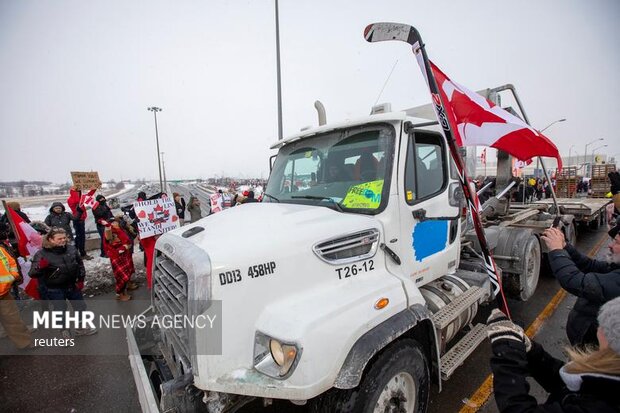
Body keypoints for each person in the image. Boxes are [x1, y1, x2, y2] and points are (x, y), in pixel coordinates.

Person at [488, 297, 620, 412]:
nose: (599, 328)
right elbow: (569, 385)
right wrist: (532, 351)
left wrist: (507, 352)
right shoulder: (609, 379)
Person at [541, 224, 620, 347]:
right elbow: (590, 265)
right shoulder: (616, 267)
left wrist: (557, 251)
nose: (610, 245)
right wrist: (565, 246)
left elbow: (575, 281)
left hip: (592, 349)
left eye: (617, 242)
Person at [29, 227, 96, 339]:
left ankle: (81, 328)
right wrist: (40, 267)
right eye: (59, 238)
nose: (63, 240)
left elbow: (80, 265)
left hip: (72, 285)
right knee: (60, 311)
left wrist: (80, 280)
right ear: (50, 239)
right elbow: (32, 273)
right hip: (54, 289)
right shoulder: (42, 254)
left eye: (64, 238)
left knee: (80, 307)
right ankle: (64, 330)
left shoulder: (71, 249)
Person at [0, 228, 32, 349]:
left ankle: (25, 343)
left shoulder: (1, 249)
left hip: (4, 292)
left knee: (13, 319)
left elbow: (11, 263)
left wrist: (12, 277)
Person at [103, 217, 135, 301]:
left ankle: (124, 290)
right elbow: (109, 241)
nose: (115, 224)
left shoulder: (120, 230)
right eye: (113, 223)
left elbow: (128, 239)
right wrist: (124, 247)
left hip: (125, 255)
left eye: (116, 222)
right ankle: (119, 294)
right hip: (117, 257)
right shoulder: (110, 232)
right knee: (120, 276)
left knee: (126, 272)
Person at [67, 186, 96, 260]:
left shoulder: (81, 198)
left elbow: (89, 195)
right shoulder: (70, 199)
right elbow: (76, 201)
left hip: (82, 219)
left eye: (79, 191)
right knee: (80, 237)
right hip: (77, 219)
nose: (79, 192)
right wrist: (74, 191)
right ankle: (81, 253)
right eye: (78, 191)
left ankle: (77, 252)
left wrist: (94, 188)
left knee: (80, 237)